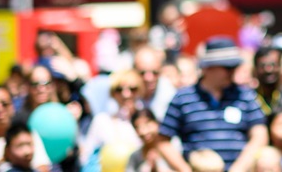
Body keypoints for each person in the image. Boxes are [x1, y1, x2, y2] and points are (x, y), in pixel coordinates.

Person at [158, 37, 268, 172]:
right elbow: (163, 141)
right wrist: (184, 169)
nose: (232, 72)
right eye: (227, 67)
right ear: (208, 68)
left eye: (234, 67)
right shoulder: (183, 98)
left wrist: (240, 167)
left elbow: (260, 134)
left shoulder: (245, 95)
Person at [78, 69, 143, 168]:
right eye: (119, 89)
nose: (126, 94)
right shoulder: (102, 121)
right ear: (112, 93)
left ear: (139, 91)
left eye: (132, 89)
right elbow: (86, 157)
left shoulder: (148, 120)